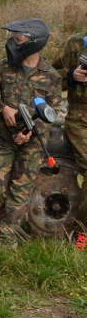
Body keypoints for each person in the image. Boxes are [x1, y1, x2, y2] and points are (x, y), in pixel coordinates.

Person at [0, 19, 62, 247]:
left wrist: (29, 132)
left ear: (34, 42)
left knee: (20, 189)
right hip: (3, 138)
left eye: (18, 39)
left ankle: (4, 238)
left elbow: (53, 112)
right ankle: (3, 227)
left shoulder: (52, 76)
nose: (13, 42)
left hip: (33, 143)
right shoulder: (1, 68)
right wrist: (3, 108)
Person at [54, 23, 87, 240]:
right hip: (81, 118)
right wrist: (71, 76)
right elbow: (49, 76)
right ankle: (81, 234)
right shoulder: (76, 43)